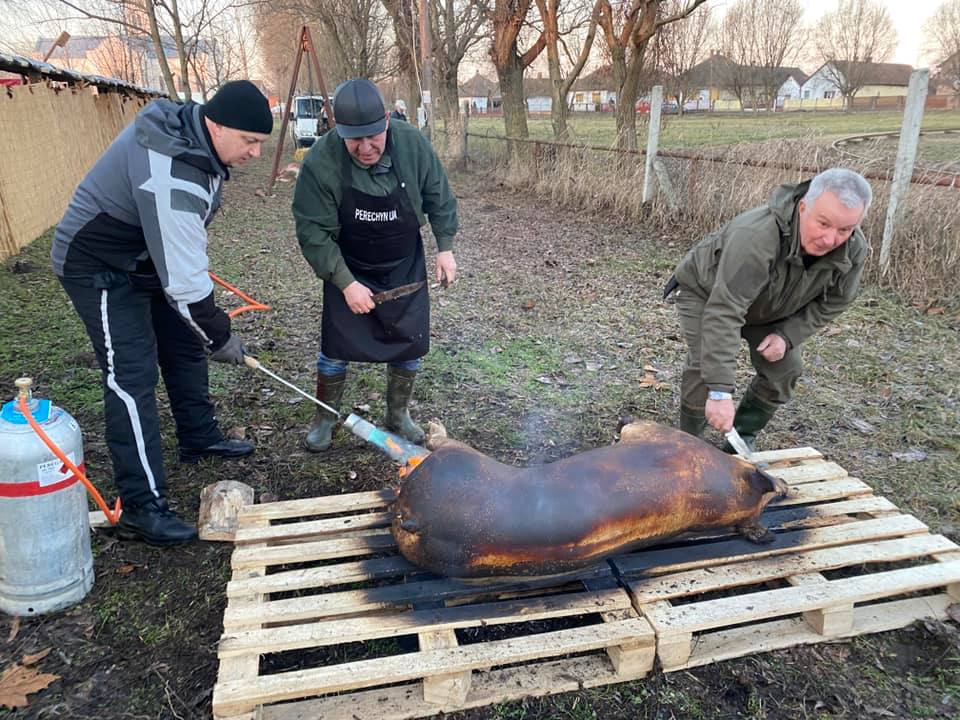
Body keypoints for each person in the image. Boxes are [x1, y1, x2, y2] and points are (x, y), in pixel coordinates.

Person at [51, 80, 273, 546]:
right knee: (131, 376)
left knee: (184, 344)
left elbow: (183, 255)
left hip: (145, 258)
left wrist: (203, 334)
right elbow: (189, 285)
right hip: (99, 263)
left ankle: (198, 435)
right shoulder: (173, 167)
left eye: (260, 143)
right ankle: (141, 507)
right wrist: (220, 335)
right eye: (249, 141)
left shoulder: (201, 146)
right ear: (214, 124)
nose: (254, 153)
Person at [293, 78, 458, 452]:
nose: (365, 148)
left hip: (404, 262)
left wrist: (445, 246)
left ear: (385, 120)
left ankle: (398, 415)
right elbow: (313, 232)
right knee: (334, 347)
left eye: (373, 137)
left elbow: (440, 195)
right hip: (348, 263)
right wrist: (345, 282)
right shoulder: (321, 161)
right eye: (354, 139)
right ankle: (325, 416)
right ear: (338, 129)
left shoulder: (413, 144)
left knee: (410, 344)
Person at [664, 168, 872, 451]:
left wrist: (787, 336)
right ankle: (688, 445)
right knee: (706, 367)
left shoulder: (853, 249)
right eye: (823, 224)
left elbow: (837, 299)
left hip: (769, 306)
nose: (830, 239)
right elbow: (726, 309)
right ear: (803, 207)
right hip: (708, 293)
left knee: (785, 369)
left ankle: (738, 443)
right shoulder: (757, 236)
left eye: (844, 230)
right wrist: (720, 391)